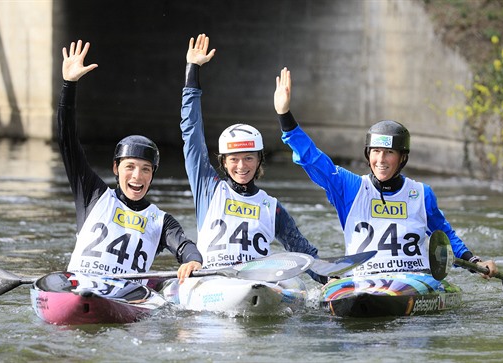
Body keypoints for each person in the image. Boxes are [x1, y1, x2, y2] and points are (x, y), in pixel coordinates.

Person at [273, 67, 498, 279]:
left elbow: (444, 237)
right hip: (364, 280)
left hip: (412, 280)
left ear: (402, 158)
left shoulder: (421, 194)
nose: (380, 160)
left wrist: (474, 262)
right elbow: (313, 159)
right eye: (376, 152)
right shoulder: (350, 187)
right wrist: (285, 118)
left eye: (389, 152)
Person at [180, 34, 326, 283]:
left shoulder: (272, 207)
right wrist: (192, 72)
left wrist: (331, 281)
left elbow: (303, 252)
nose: (241, 166)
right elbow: (191, 134)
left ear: (259, 161)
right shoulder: (208, 188)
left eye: (249, 158)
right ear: (224, 162)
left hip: (256, 284)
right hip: (213, 281)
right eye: (234, 159)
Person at [58, 40, 202, 284]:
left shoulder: (160, 220)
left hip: (124, 298)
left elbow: (184, 246)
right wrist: (69, 85)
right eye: (130, 167)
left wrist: (192, 260)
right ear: (116, 169)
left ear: (152, 175)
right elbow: (67, 141)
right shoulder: (93, 195)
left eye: (146, 169)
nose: (137, 176)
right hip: (79, 286)